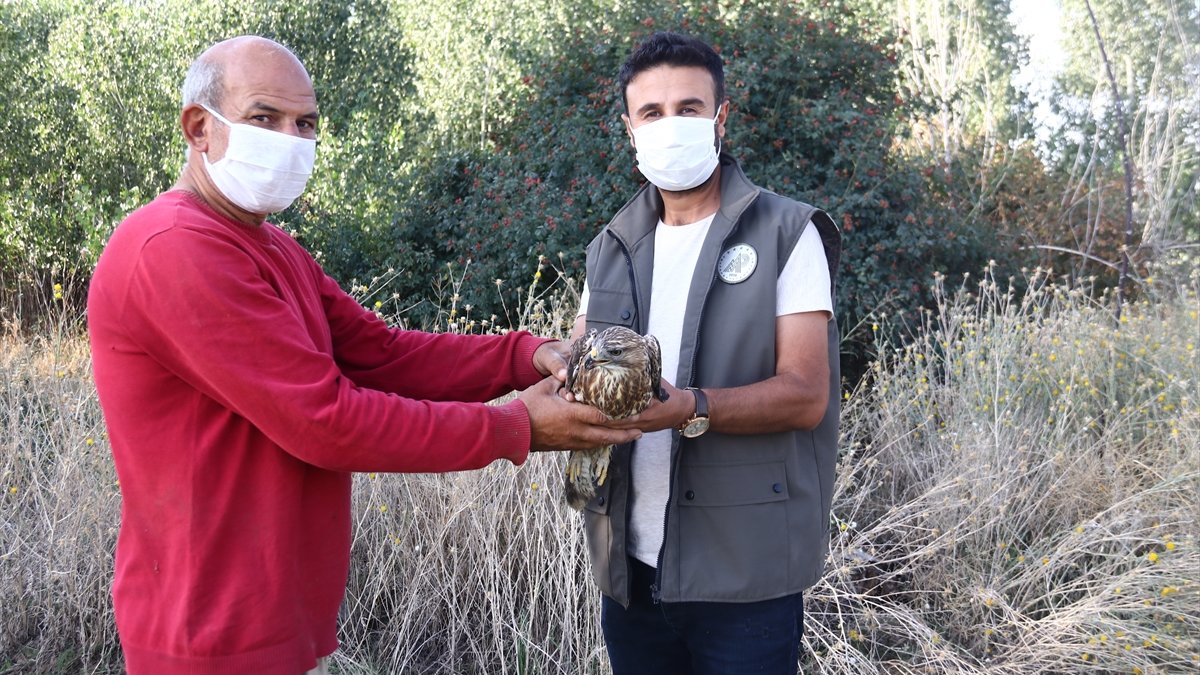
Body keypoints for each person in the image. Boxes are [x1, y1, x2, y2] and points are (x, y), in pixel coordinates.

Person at [87, 36, 640, 675]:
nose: (291, 139)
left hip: (277, 617)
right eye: (265, 118)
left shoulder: (269, 247)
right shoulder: (175, 249)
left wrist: (529, 353)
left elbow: (382, 355)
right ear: (199, 128)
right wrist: (517, 426)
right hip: (208, 631)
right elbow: (324, 421)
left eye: (306, 124)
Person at [570, 31, 842, 674]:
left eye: (688, 109)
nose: (671, 126)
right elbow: (580, 357)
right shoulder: (610, 246)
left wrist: (691, 407)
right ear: (629, 131)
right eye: (651, 113)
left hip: (745, 576)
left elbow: (806, 394)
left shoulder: (786, 232)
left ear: (721, 117)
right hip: (629, 570)